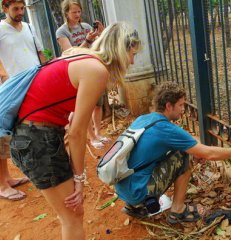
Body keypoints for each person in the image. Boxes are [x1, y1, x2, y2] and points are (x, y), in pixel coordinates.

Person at [10, 22, 141, 239]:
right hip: (37, 139)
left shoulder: (79, 54)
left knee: (69, 215)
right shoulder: (97, 70)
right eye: (132, 53)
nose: (132, 61)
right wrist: (79, 180)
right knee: (73, 214)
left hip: (30, 136)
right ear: (120, 49)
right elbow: (77, 132)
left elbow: (69, 117)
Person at [116, 82, 231, 224]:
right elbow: (209, 153)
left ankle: (136, 206)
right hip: (138, 191)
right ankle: (178, 210)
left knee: (180, 150)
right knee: (183, 155)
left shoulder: (144, 119)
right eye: (180, 105)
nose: (183, 109)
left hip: (123, 188)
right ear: (168, 105)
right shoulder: (166, 128)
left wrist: (195, 150)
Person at [0, 0, 46, 200]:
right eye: (15, 9)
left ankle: (8, 177)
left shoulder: (28, 26)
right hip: (11, 89)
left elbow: (40, 52)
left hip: (34, 85)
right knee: (2, 134)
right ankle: (1, 185)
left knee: (22, 130)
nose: (20, 13)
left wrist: (46, 73)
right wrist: (4, 77)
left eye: (22, 8)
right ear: (4, 8)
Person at [56, 0, 109, 149]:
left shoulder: (86, 27)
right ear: (66, 13)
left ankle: (98, 132)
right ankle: (91, 137)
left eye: (79, 11)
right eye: (74, 12)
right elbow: (70, 53)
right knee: (84, 107)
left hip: (93, 69)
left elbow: (99, 46)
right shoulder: (62, 32)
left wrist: (102, 33)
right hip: (76, 74)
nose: (77, 15)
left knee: (97, 105)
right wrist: (87, 40)